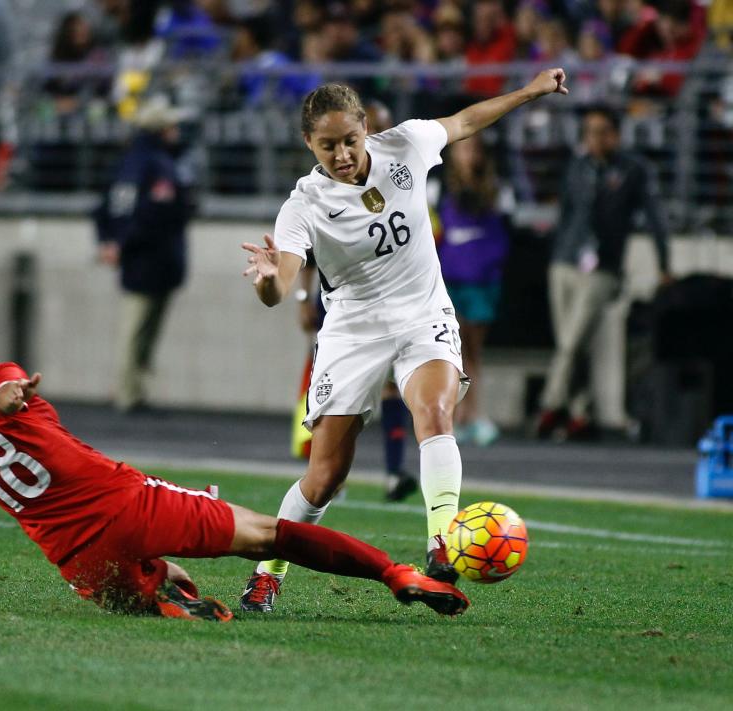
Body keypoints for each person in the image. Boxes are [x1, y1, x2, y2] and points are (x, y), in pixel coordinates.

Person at [0, 276, 469, 622]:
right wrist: (9, 395)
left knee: (156, 581)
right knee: (267, 535)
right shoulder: (0, 376)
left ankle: (165, 595)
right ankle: (395, 573)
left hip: (75, 559)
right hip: (127, 505)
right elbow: (1, 394)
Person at [239, 69, 568, 612]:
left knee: (434, 412)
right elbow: (282, 285)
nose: (342, 154)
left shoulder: (408, 145)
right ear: (308, 144)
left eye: (350, 139)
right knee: (324, 479)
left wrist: (531, 91)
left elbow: (464, 121)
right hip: (353, 330)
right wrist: (269, 281)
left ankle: (443, 543)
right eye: (328, 145)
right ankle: (267, 572)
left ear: (366, 128)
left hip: (423, 314)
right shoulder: (304, 205)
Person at [293, 99, 418, 500]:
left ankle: (394, 471)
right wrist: (300, 296)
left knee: (392, 389)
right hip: (342, 308)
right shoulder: (318, 195)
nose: (347, 153)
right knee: (337, 396)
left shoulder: (399, 170)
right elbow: (304, 255)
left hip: (399, 304)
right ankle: (324, 472)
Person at [536, 105, 671, 440]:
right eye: (589, 132)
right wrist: (555, 255)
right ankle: (580, 413)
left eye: (600, 132)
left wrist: (663, 263)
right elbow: (565, 213)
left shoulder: (632, 170)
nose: (593, 139)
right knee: (571, 344)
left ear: (615, 135)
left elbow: (655, 217)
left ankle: (550, 405)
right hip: (565, 262)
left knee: (569, 343)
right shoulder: (577, 167)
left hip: (604, 267)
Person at [95, 95, 195, 413]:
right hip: (150, 257)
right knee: (136, 328)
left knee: (139, 329)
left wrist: (111, 241)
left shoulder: (131, 161)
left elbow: (105, 207)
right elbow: (155, 211)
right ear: (161, 128)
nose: (177, 128)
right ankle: (128, 391)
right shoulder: (157, 164)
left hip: (143, 257)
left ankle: (133, 387)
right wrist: (120, 242)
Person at [436, 135, 510, 446]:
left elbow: (506, 233)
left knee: (473, 351)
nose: (469, 156)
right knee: (451, 351)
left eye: (474, 150)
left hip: (482, 282)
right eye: (463, 149)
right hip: (450, 280)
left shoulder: (497, 190)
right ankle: (451, 416)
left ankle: (473, 413)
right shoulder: (438, 189)